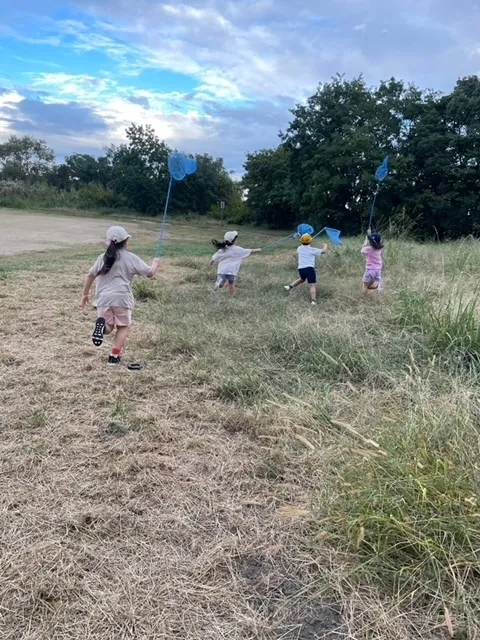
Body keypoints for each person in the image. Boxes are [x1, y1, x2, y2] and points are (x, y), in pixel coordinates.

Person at [82, 226, 160, 365]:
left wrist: (85, 294)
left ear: (109, 242)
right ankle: (114, 356)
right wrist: (155, 264)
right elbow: (149, 273)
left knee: (109, 327)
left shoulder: (103, 257)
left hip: (103, 299)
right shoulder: (131, 258)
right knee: (122, 327)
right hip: (122, 299)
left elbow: (91, 274)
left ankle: (102, 328)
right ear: (126, 241)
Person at [209, 230, 262, 296]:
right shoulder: (238, 249)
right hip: (232, 271)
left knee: (221, 281)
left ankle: (215, 291)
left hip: (222, 270)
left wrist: (211, 263)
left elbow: (214, 257)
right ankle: (231, 295)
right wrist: (258, 250)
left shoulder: (223, 249)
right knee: (231, 284)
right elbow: (250, 251)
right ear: (234, 241)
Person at [284, 234, 327, 305]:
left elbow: (303, 243)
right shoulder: (312, 250)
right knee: (312, 285)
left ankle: (289, 287)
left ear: (301, 241)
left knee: (302, 279)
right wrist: (325, 245)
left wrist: (304, 239)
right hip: (309, 269)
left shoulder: (299, 248)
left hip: (301, 269)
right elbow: (324, 251)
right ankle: (313, 300)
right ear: (310, 242)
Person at [361, 230, 384, 295]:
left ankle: (365, 296)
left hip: (370, 270)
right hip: (378, 270)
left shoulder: (368, 249)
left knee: (365, 285)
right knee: (375, 282)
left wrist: (365, 241)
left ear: (370, 242)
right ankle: (377, 288)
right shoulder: (380, 249)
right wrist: (369, 235)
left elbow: (362, 250)